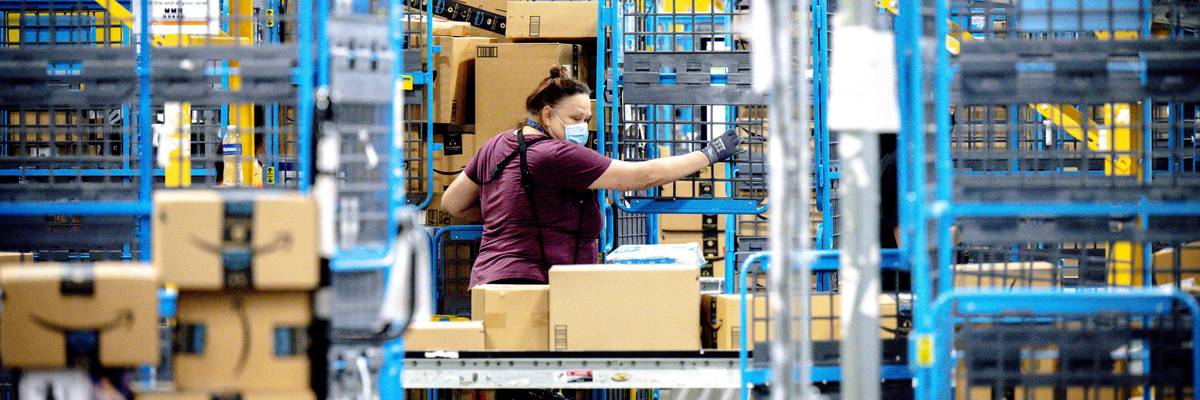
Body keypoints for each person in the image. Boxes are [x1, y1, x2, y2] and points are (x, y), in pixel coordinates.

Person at [441, 67, 744, 288]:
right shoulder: (556, 155)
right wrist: (709, 154)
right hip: (535, 284)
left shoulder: (497, 144)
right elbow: (642, 176)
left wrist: (508, 216)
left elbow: (452, 203)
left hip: (490, 281)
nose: (582, 128)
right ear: (547, 115)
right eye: (574, 119)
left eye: (586, 120)